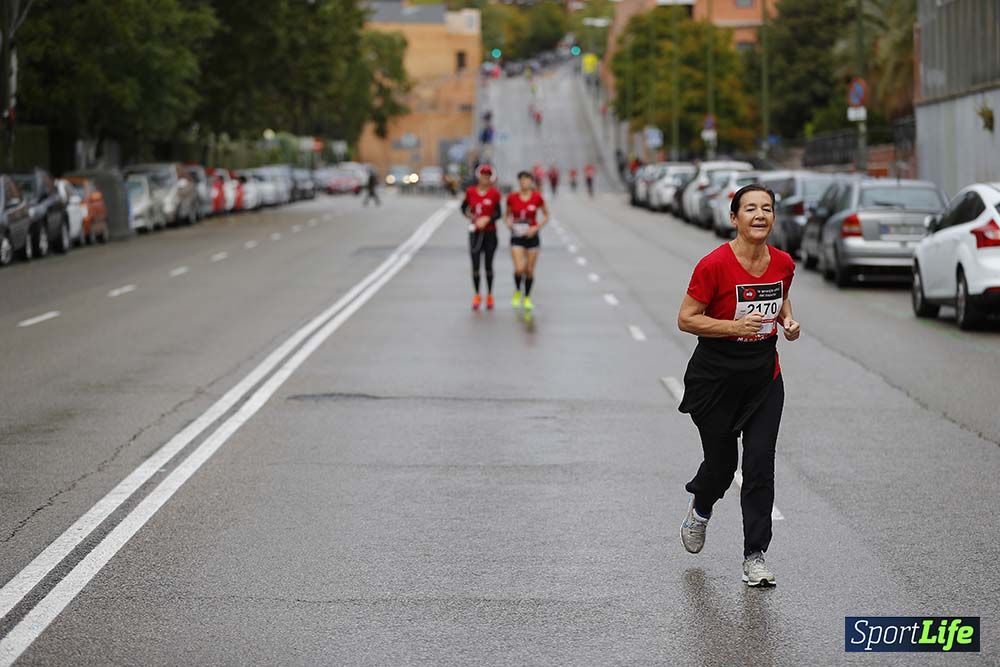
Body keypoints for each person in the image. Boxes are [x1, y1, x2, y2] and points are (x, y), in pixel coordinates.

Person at [675, 184, 800, 588]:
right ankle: (701, 506)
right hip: (716, 380)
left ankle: (755, 556)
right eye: (750, 209)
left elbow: (779, 297)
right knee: (723, 466)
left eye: (767, 208)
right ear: (735, 218)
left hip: (764, 378)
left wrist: (788, 322)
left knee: (760, 465)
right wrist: (732, 327)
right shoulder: (713, 265)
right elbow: (686, 318)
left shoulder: (783, 263)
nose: (760, 215)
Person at [506, 170, 549, 313]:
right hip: (517, 236)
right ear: (519, 182)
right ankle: (518, 290)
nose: (524, 183)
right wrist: (510, 225)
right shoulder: (512, 197)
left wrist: (536, 228)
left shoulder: (537, 198)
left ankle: (527, 297)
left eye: (527, 180)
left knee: (529, 270)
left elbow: (546, 215)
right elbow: (506, 216)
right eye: (522, 180)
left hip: (532, 237)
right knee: (519, 269)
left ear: (531, 182)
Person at [460, 164, 502, 310]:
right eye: (483, 175)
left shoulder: (494, 194)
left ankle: (490, 294)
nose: (485, 178)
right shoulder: (471, 192)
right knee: (476, 265)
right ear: (479, 177)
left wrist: (487, 219)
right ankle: (477, 294)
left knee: (488, 265)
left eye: (488, 176)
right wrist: (472, 217)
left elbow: (498, 213)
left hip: (490, 233)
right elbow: (464, 208)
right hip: (475, 232)